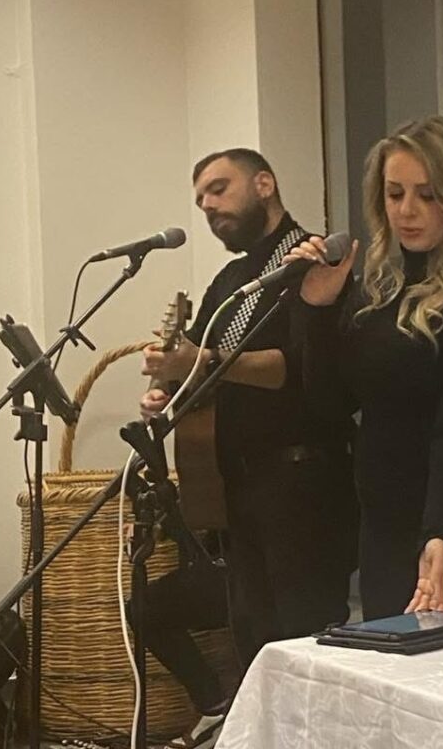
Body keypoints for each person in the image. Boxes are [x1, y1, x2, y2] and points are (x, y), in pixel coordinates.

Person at [140, 148, 357, 740]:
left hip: (304, 484)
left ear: (264, 183)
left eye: (219, 189)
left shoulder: (315, 261)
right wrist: (169, 390)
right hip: (238, 487)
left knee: (306, 645)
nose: (209, 206)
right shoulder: (231, 283)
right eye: (200, 200)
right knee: (254, 640)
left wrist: (204, 360)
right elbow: (200, 368)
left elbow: (295, 368)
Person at [286, 116, 443, 619]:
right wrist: (317, 309)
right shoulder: (378, 292)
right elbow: (329, 406)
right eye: (394, 193)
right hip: (387, 518)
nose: (407, 210)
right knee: (390, 653)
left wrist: (442, 531)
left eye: (428, 195)